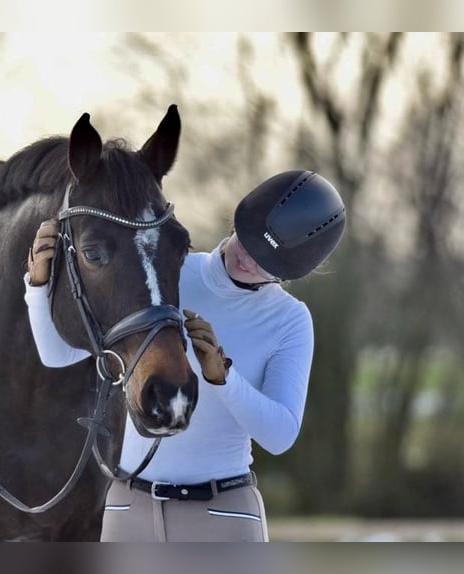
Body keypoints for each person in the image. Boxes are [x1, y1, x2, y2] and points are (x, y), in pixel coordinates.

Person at [23, 170, 346, 542]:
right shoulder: (167, 274)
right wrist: (38, 287)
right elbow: (58, 355)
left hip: (221, 512)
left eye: (265, 263)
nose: (247, 259)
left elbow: (280, 433)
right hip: (129, 509)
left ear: (292, 272)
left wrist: (223, 378)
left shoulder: (289, 320)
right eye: (249, 242)